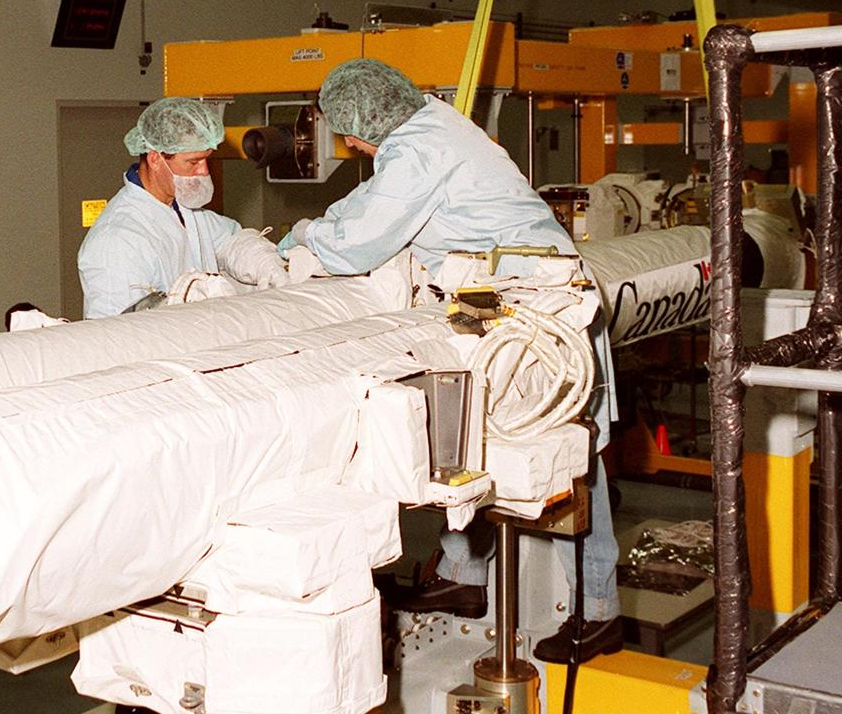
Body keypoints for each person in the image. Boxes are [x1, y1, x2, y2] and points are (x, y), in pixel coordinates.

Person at [281, 57, 622, 663]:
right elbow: (367, 201)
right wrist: (306, 231)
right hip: (497, 305)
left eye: (348, 133)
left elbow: (358, 244)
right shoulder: (430, 128)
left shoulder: (419, 149)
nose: (349, 144)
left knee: (570, 461)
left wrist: (306, 237)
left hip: (543, 312)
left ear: (368, 120)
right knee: (473, 434)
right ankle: (464, 575)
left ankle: (598, 612)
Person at [77, 97, 242, 318]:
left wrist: (259, 258)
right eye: (193, 162)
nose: (204, 171)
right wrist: (177, 307)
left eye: (206, 160)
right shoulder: (116, 240)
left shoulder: (183, 208)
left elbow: (230, 239)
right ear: (155, 159)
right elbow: (114, 331)